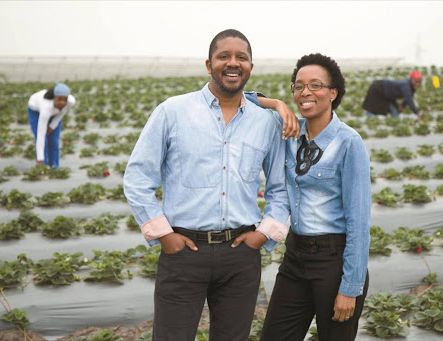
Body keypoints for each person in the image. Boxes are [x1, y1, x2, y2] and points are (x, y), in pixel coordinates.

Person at [123, 29, 290, 341]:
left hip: (241, 254)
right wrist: (163, 234)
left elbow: (280, 188)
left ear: (251, 67)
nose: (233, 63)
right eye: (223, 56)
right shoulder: (173, 111)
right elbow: (137, 178)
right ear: (208, 64)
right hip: (183, 251)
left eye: (241, 57)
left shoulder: (265, 121)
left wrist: (264, 234)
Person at [246, 53, 371, 340]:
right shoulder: (290, 133)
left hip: (333, 260)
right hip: (295, 258)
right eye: (298, 86)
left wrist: (350, 288)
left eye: (316, 85)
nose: (305, 92)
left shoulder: (348, 143)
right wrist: (277, 104)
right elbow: (245, 99)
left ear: (333, 92)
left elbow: (359, 221)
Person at [27, 82, 75, 169]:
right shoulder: (46, 106)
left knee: (54, 141)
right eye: (59, 99)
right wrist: (40, 159)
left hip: (55, 115)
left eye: (65, 100)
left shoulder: (71, 102)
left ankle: (54, 167)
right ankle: (43, 166)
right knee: (43, 138)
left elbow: (61, 113)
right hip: (35, 111)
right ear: (54, 98)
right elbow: (41, 134)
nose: (62, 102)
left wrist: (52, 126)